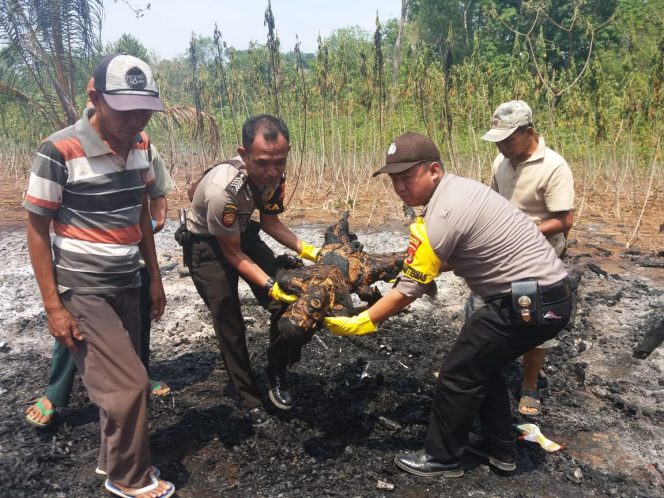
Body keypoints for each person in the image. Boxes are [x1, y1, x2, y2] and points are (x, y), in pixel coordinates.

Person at [324, 133, 574, 477]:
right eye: (394, 180)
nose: (399, 187)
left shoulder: (442, 212)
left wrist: (364, 320)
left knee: (457, 374)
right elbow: (446, 260)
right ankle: (499, 448)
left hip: (527, 304)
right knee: (481, 367)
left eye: (406, 177)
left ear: (434, 171)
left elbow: (409, 289)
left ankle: (442, 458)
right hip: (549, 298)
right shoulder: (459, 190)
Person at [23, 53, 175, 497]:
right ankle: (128, 479)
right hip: (82, 288)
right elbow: (36, 231)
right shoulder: (58, 150)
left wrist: (155, 279)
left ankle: (112, 459)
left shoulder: (142, 146)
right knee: (129, 384)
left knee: (119, 381)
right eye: (126, 110)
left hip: (127, 281)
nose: (136, 120)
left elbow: (142, 212)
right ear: (95, 97)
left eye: (144, 110)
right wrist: (54, 307)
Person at [184, 114, 320, 426]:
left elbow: (270, 223)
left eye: (280, 161)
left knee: (289, 305)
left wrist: (310, 251)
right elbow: (231, 253)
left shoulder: (275, 175)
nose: (272, 172)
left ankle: (277, 369)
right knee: (230, 321)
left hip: (242, 233)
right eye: (262, 163)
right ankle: (247, 396)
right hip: (207, 246)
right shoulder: (223, 191)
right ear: (244, 155)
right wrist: (271, 284)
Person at [479, 100, 575, 417]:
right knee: (488, 313)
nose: (503, 146)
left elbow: (564, 220)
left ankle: (529, 386)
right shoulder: (500, 163)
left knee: (532, 320)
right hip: (501, 256)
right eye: (499, 141)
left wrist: (525, 233)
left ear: (528, 132)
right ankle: (481, 372)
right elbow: (492, 203)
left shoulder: (554, 167)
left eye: (508, 140)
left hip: (538, 259)